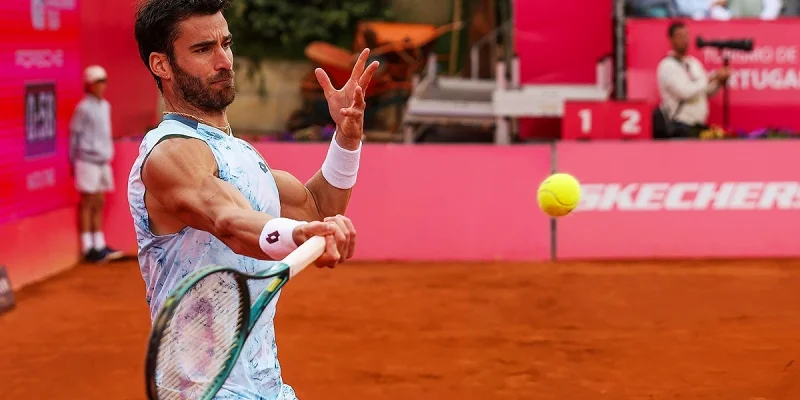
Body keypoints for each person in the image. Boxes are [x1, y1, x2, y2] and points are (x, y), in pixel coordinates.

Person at [130, 1, 378, 398]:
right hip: (204, 393)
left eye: (226, 44)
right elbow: (228, 221)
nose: (224, 61)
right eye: (203, 49)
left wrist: (347, 138)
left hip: (267, 388)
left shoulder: (240, 154)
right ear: (162, 65)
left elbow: (318, 209)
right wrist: (298, 235)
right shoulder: (168, 153)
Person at [69, 65, 124, 263]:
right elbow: (74, 136)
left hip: (103, 162)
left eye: (103, 81)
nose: (102, 86)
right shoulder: (83, 108)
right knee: (88, 202)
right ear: (89, 85)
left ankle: (99, 245)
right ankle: (88, 248)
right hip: (86, 161)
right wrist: (72, 162)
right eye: (97, 82)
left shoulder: (105, 106)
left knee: (99, 201)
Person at [655, 21, 730, 138]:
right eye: (680, 36)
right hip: (680, 126)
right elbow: (685, 92)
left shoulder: (693, 63)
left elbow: (705, 91)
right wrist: (712, 77)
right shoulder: (667, 66)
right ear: (671, 39)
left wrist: (719, 81)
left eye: (686, 36)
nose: (685, 40)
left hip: (699, 125)